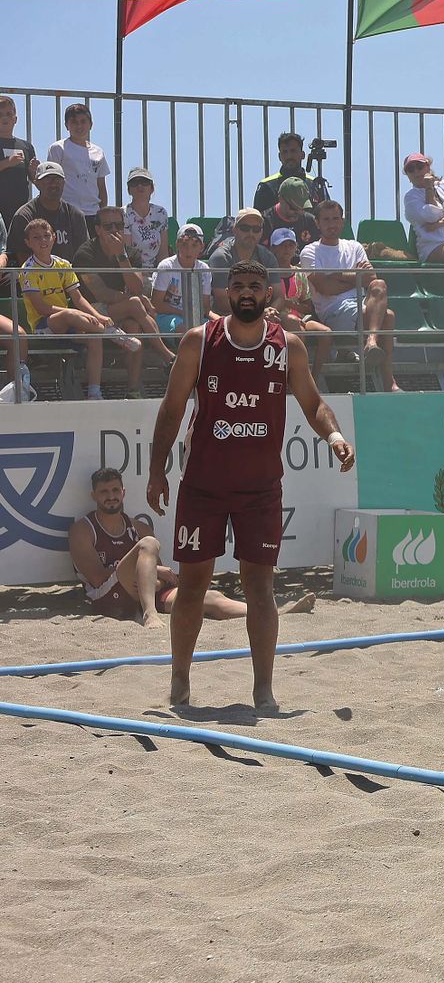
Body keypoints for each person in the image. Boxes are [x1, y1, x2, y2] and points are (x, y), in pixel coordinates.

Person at [147, 259, 355, 709]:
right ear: (225, 293)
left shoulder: (289, 347)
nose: (245, 292)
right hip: (203, 484)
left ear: (268, 295)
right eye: (238, 285)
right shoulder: (199, 342)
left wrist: (334, 435)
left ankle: (264, 688)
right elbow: (171, 410)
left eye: (254, 286)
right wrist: (156, 469)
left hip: (260, 488)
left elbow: (313, 403)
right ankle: (180, 680)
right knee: (194, 584)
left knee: (260, 586)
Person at [71, 467, 314, 627]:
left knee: (207, 598)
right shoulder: (83, 529)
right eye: (104, 492)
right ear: (94, 496)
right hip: (108, 597)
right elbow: (97, 578)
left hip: (144, 592)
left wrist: (156, 574)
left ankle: (277, 614)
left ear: (123, 492)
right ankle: (150, 615)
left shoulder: (138, 526)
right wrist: (153, 572)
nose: (111, 496)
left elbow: (158, 578)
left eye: (115, 490)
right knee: (148, 545)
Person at [18, 217, 129, 399]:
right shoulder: (27, 269)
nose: (43, 241)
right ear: (28, 243)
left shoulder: (63, 264)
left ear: (54, 237)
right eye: (36, 238)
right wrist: (74, 312)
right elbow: (42, 308)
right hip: (44, 325)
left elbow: (78, 297)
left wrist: (97, 316)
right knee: (70, 313)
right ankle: (112, 333)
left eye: (46, 236)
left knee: (94, 338)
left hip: (68, 322)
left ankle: (94, 392)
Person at [299, 199, 399, 392]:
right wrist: (354, 276)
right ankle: (389, 382)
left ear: (342, 221)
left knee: (379, 285)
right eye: (326, 219)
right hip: (334, 311)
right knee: (388, 317)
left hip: (361, 305)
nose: (331, 224)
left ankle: (370, 342)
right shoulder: (310, 251)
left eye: (335, 218)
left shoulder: (354, 247)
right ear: (317, 223)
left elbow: (371, 278)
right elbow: (324, 288)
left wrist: (338, 275)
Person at [73, 205, 173, 396]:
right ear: (98, 229)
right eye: (108, 226)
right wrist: (139, 299)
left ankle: (132, 389)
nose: (114, 231)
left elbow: (136, 286)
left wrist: (121, 256)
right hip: (91, 313)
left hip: (120, 311)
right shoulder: (85, 253)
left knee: (134, 327)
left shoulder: (129, 253)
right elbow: (100, 293)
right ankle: (167, 355)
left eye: (118, 225)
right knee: (136, 303)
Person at [5, 161, 88, 262]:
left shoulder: (76, 215)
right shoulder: (24, 215)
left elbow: (84, 255)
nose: (53, 184)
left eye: (57, 179)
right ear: (36, 182)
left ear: (64, 183)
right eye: (47, 179)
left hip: (69, 275)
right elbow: (20, 255)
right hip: (34, 275)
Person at [402, 153, 444, 267]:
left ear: (428, 167)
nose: (416, 172)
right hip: (435, 245)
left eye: (420, 167)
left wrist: (439, 223)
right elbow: (431, 216)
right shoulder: (410, 198)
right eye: (410, 169)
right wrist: (429, 188)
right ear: (408, 176)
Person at [47, 104, 109, 229]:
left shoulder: (98, 152)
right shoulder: (58, 148)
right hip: (67, 211)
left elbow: (101, 185)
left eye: (83, 121)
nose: (79, 126)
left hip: (93, 214)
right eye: (74, 122)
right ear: (66, 125)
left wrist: (103, 213)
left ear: (91, 124)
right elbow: (51, 181)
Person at [265, 227, 330, 345]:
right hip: (275, 319)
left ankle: (317, 364)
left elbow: (308, 307)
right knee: (297, 328)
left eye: (291, 245)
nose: (287, 249)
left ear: (296, 247)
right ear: (273, 248)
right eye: (282, 245)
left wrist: (286, 303)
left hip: (302, 319)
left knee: (326, 333)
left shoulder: (300, 273)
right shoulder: (265, 274)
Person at [206, 208, 277, 315]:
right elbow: (222, 301)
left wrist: (270, 312)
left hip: (262, 316)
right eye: (245, 228)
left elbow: (279, 296)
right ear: (234, 230)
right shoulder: (221, 257)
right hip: (228, 317)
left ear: (261, 232)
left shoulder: (268, 256)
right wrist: (256, 315)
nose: (251, 233)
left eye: (256, 229)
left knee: (291, 321)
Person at [152, 223, 215, 339]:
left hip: (195, 317)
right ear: (177, 244)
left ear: (202, 248)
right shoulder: (166, 266)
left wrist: (219, 320)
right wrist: (184, 313)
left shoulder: (204, 269)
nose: (188, 250)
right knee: (189, 330)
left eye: (194, 245)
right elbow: (156, 304)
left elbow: (205, 307)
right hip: (166, 316)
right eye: (184, 244)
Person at [0, 94, 39, 231]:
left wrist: (34, 172)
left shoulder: (26, 146)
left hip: (20, 209)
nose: (4, 117)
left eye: (8, 114)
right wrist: (7, 163)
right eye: (0, 114)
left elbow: (34, 179)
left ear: (15, 119)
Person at [122, 167, 170, 272]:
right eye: (134, 183)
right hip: (133, 271)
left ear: (152, 188)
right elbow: (128, 253)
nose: (140, 186)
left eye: (144, 182)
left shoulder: (161, 213)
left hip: (156, 271)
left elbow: (163, 252)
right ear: (129, 190)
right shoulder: (123, 214)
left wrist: (162, 276)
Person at [252, 132, 307, 212]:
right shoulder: (267, 186)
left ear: (303, 155)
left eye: (293, 151)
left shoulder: (314, 184)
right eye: (285, 152)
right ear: (279, 157)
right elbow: (258, 220)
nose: (289, 156)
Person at [262, 177, 319, 251]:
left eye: (303, 208)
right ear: (281, 198)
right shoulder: (265, 222)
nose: (298, 212)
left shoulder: (311, 222)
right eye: (293, 208)